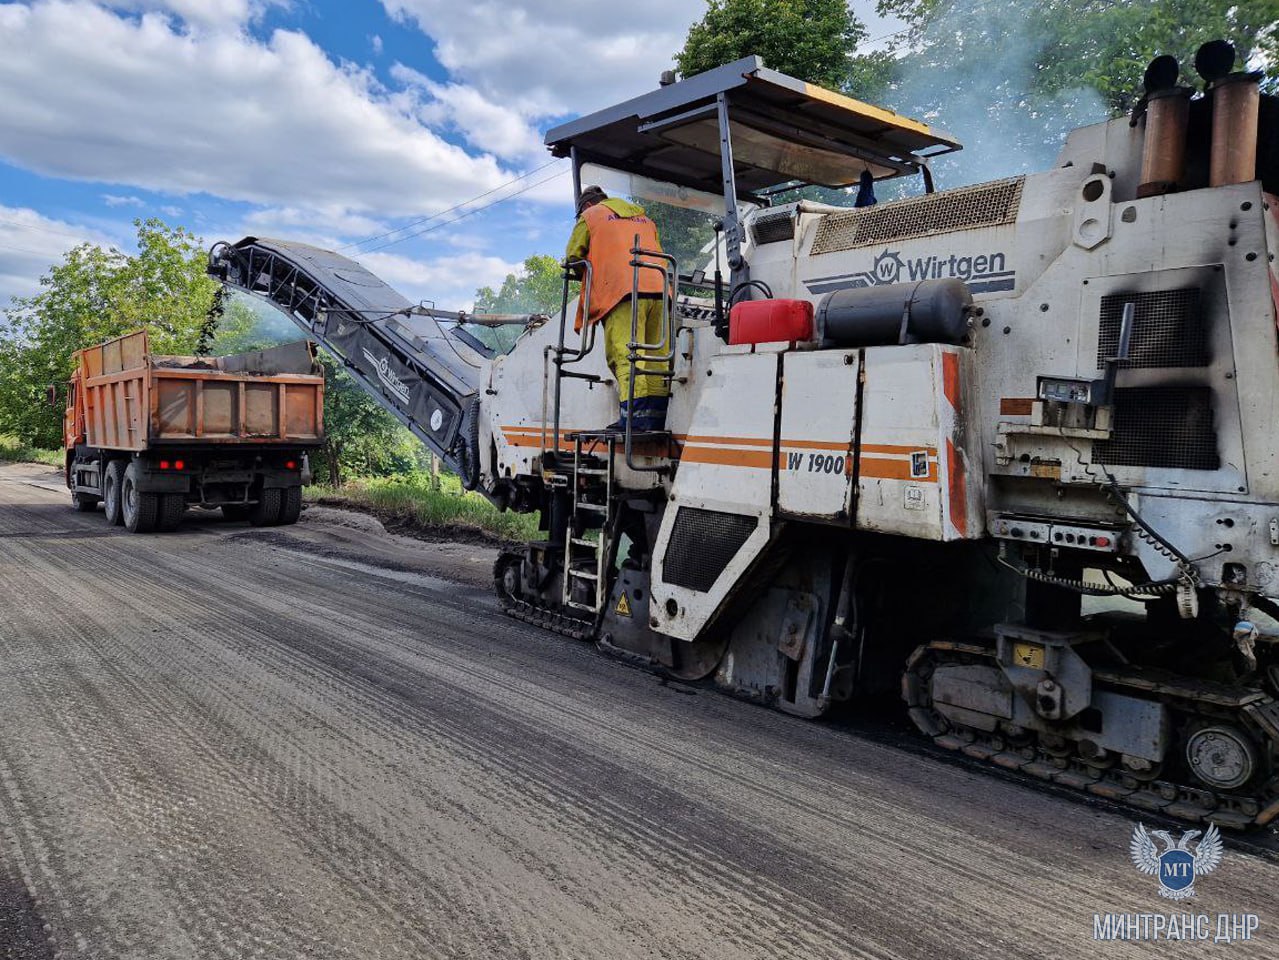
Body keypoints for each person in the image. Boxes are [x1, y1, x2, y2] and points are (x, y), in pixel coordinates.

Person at [565, 186, 670, 433]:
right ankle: (653, 419)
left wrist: (590, 276)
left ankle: (634, 422)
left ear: (587, 206)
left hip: (622, 292)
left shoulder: (591, 216)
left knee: (626, 356)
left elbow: (572, 256)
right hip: (659, 289)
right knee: (655, 357)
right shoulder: (645, 219)